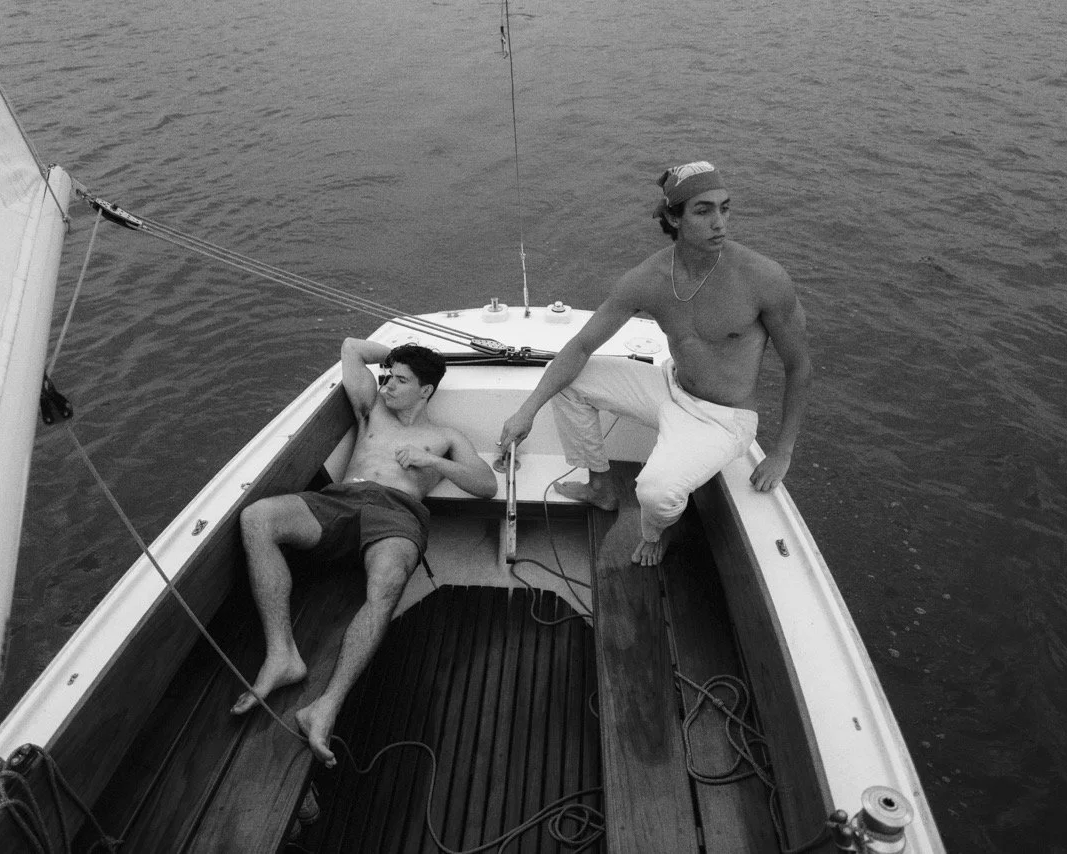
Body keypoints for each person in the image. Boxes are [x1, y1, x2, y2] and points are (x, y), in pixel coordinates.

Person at [498, 160, 811, 566]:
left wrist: (782, 452)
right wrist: (527, 410)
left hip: (723, 418)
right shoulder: (647, 278)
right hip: (670, 386)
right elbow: (579, 347)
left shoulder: (763, 278)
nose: (720, 222)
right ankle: (600, 486)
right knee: (568, 382)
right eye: (703, 210)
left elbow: (799, 367)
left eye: (725, 208)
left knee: (656, 494)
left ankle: (655, 533)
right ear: (672, 217)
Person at [232, 338, 497, 767]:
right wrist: (400, 353)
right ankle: (282, 654)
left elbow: (486, 486)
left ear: (426, 391)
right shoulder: (371, 408)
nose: (389, 384)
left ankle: (326, 704)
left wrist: (433, 463)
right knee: (258, 518)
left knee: (388, 581)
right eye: (388, 375)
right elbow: (352, 348)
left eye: (401, 380)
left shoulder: (444, 436)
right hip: (340, 501)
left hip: (398, 513)